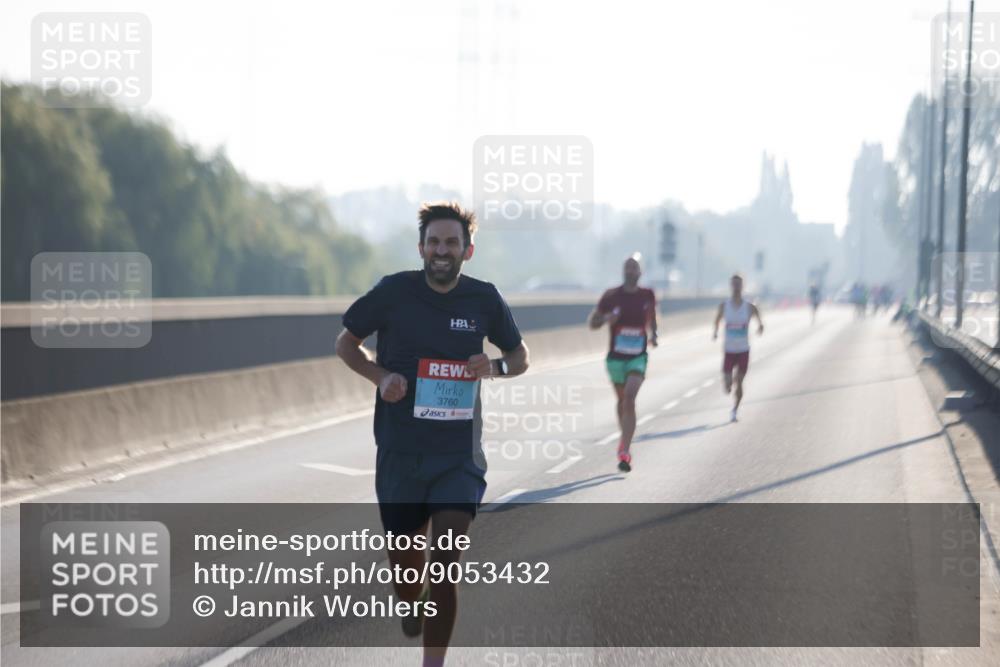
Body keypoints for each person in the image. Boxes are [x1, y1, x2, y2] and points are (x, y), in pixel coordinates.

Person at [335, 202, 529, 667]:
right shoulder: (393, 292)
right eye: (435, 242)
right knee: (409, 574)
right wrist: (381, 378)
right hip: (401, 454)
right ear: (422, 247)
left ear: (468, 251)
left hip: (457, 457)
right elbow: (345, 344)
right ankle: (408, 600)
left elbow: (520, 355)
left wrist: (496, 367)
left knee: (444, 563)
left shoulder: (484, 299)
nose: (443, 251)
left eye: (452, 243)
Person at [588, 254, 658, 472]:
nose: (630, 271)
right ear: (623, 271)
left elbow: (652, 318)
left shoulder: (648, 295)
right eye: (627, 267)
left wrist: (654, 333)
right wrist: (606, 319)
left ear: (640, 272)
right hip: (615, 358)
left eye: (634, 268)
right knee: (621, 402)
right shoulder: (611, 296)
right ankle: (624, 438)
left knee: (629, 398)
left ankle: (624, 451)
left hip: (638, 356)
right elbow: (593, 323)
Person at [712, 274, 763, 422]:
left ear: (743, 286)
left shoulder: (749, 307)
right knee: (728, 385)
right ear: (731, 286)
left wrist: (760, 326)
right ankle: (729, 383)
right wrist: (715, 331)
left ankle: (735, 409)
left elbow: (759, 318)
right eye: (734, 284)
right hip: (729, 351)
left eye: (739, 284)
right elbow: (717, 319)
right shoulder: (724, 305)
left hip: (743, 351)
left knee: (739, 381)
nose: (736, 287)